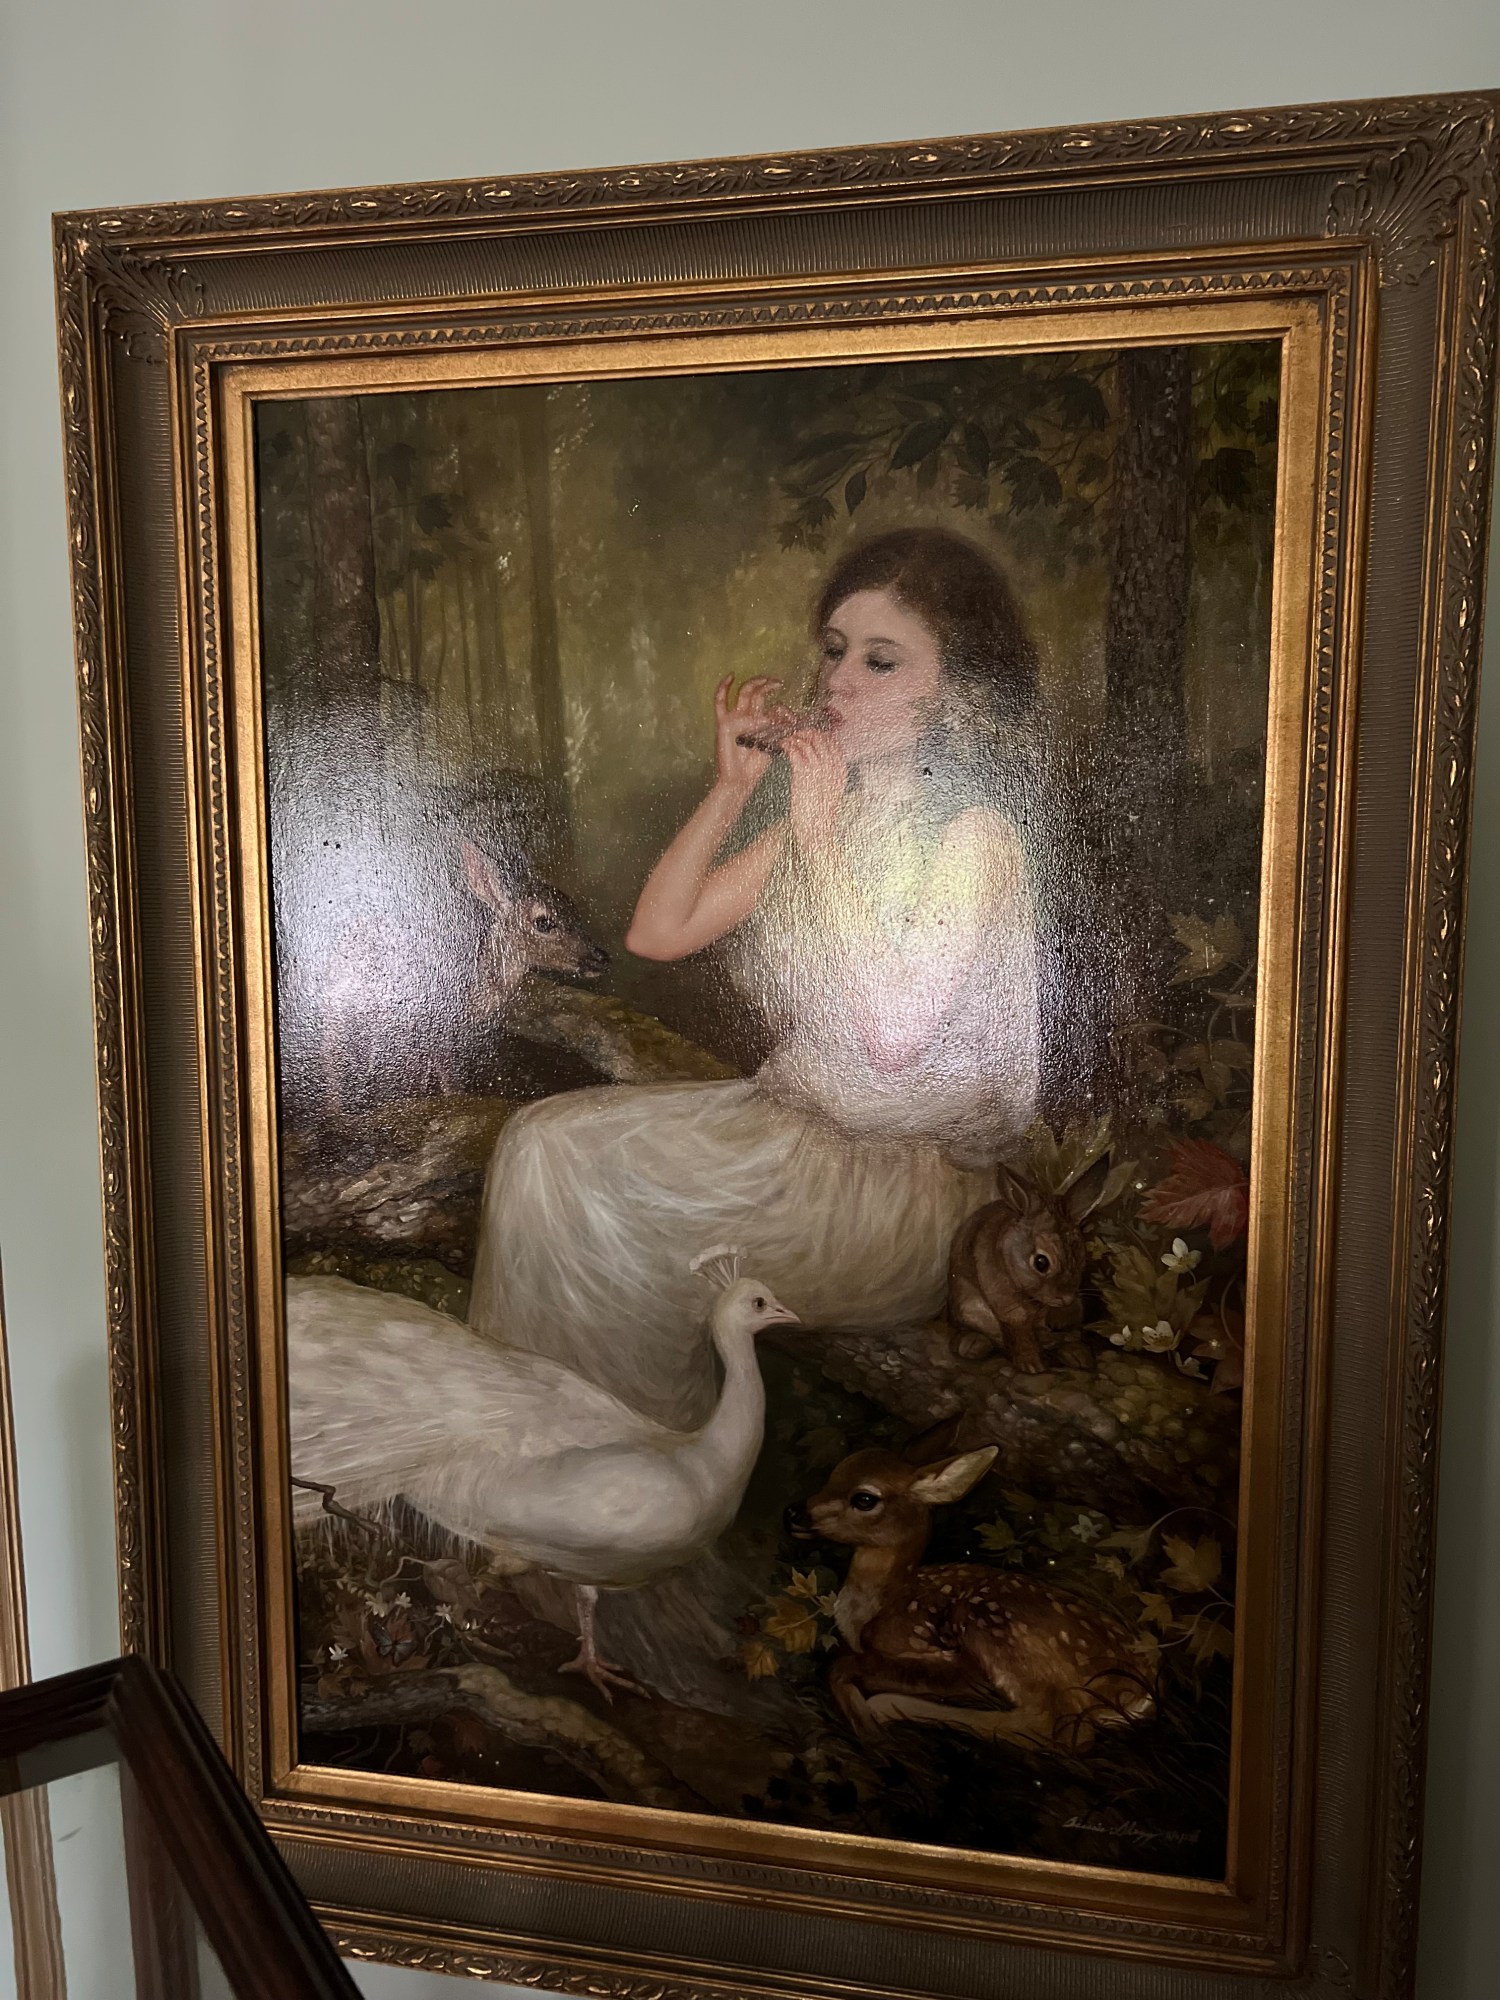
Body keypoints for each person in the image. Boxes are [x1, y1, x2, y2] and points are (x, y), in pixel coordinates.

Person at [468, 529, 1043, 1429]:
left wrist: (816, 840)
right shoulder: (825, 816)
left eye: (881, 661)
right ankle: (557, 1451)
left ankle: (636, 1455)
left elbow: (896, 1038)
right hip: (792, 1138)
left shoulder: (974, 837)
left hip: (905, 1193)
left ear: (954, 692)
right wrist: (732, 789)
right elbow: (658, 934)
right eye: (835, 651)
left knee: (605, 1204)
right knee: (540, 1143)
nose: (838, 681)